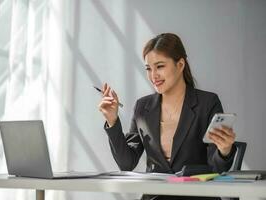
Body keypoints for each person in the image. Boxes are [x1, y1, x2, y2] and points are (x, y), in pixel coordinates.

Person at [98, 33, 237, 200]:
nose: (153, 75)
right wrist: (112, 120)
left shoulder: (207, 103)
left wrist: (224, 150)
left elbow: (217, 169)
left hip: (196, 197)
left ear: (180, 65)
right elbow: (126, 163)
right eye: (149, 68)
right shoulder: (143, 107)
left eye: (160, 66)